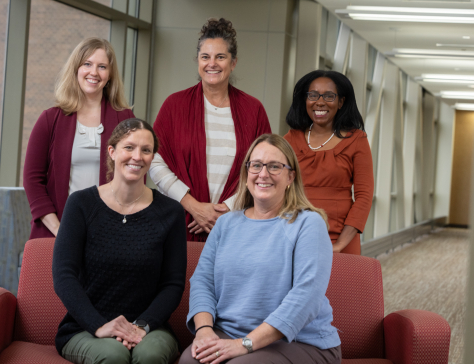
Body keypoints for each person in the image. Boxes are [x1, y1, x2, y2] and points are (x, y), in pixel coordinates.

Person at [180, 134, 341, 364]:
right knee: (190, 361)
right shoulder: (225, 224)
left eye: (274, 166)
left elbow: (306, 296)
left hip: (297, 341)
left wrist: (245, 344)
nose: (263, 174)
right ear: (247, 175)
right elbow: (203, 281)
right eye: (256, 165)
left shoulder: (308, 223)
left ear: (290, 177)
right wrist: (205, 331)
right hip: (230, 334)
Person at [53, 119, 187, 364]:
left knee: (151, 355)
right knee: (113, 355)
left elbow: (173, 284)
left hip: (150, 328)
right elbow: (64, 276)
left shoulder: (171, 213)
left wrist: (142, 326)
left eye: (146, 150)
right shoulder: (81, 205)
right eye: (129, 147)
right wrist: (98, 325)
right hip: (86, 328)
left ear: (152, 158)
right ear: (112, 152)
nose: (137, 156)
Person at [150, 18, 271, 242]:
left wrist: (226, 209)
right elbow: (155, 161)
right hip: (180, 221)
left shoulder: (253, 110)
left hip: (237, 224)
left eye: (220, 57)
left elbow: (264, 169)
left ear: (233, 63)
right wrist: (193, 206)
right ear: (197, 60)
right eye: (205, 57)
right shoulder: (174, 106)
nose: (211, 63)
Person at [23, 37, 135, 239]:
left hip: (110, 232)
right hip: (57, 230)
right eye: (87, 64)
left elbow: (134, 176)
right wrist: (60, 230)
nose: (94, 72)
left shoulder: (125, 119)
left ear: (109, 75)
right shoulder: (50, 119)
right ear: (76, 69)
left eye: (102, 66)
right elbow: (32, 180)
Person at [284, 70, 374, 255]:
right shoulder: (290, 139)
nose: (320, 102)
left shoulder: (357, 139)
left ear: (341, 102)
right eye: (313, 95)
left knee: (340, 284)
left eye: (329, 96)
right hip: (295, 235)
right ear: (305, 100)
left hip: (341, 239)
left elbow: (364, 197)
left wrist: (340, 244)